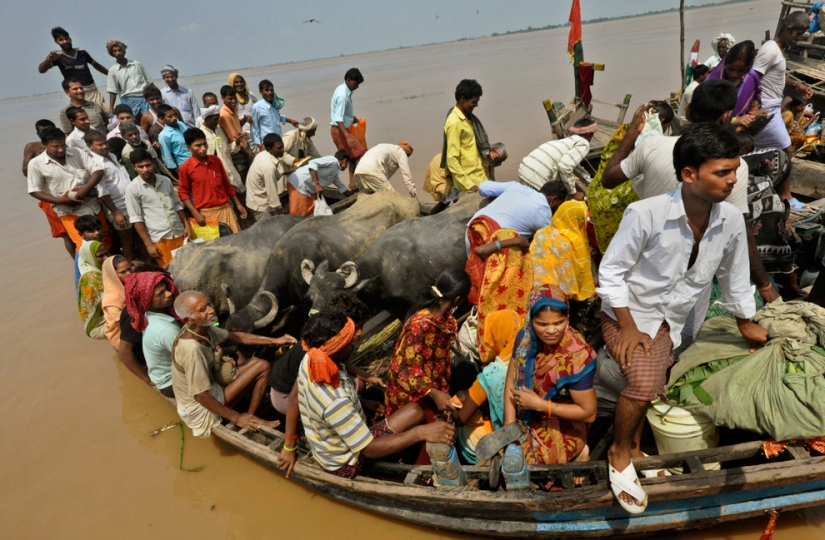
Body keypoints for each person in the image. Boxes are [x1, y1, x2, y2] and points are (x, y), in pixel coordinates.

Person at [597, 123, 767, 514]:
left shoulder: (730, 222)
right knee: (643, 379)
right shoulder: (644, 214)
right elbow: (611, 274)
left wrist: (745, 323)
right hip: (631, 311)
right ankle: (621, 453)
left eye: (735, 169)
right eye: (722, 172)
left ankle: (639, 446)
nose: (733, 179)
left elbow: (735, 277)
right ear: (689, 175)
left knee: (659, 374)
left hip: (680, 318)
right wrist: (626, 326)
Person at [601, 81, 780, 308]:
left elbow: (608, 180)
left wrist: (631, 134)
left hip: (650, 258)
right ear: (726, 117)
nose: (731, 178)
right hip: (694, 267)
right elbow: (740, 230)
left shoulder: (652, 145)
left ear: (686, 111)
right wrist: (765, 286)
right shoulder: (736, 168)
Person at [277, 308, 455, 479]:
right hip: (346, 462)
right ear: (337, 349)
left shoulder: (311, 357)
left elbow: (294, 398)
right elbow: (368, 449)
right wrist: (421, 433)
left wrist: (290, 444)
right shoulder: (335, 402)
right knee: (417, 423)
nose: (355, 343)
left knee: (415, 411)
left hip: (338, 442)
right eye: (351, 343)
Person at [172, 291, 294, 437]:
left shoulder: (201, 328)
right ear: (189, 320)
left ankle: (248, 414)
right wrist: (237, 418)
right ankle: (250, 417)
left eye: (209, 304)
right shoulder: (192, 350)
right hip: (200, 409)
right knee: (263, 366)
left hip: (209, 388)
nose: (211, 309)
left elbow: (235, 337)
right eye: (202, 309)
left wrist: (276, 341)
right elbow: (200, 395)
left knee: (255, 362)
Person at [503, 285, 597, 469]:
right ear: (531, 321)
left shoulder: (577, 357)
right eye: (543, 324)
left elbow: (589, 413)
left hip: (562, 418)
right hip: (528, 410)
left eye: (558, 322)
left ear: (567, 318)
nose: (552, 330)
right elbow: (511, 382)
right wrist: (509, 426)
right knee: (504, 456)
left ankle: (581, 450)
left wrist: (541, 405)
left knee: (533, 466)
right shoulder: (525, 339)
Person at [383, 269, 470, 463]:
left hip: (433, 385)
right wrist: (433, 393)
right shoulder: (422, 324)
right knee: (433, 436)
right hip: (414, 392)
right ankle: (420, 473)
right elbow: (401, 370)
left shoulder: (443, 319)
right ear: (458, 300)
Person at [268, 291, 383, 415]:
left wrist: (367, 376)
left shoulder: (329, 339)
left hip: (298, 390)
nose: (360, 332)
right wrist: (362, 403)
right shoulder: (316, 355)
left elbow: (342, 362)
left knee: (359, 382)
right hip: (285, 397)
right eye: (356, 327)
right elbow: (298, 398)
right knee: (347, 396)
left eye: (362, 326)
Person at [586, 101, 674, 253]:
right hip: (618, 191)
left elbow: (608, 155)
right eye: (666, 127)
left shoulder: (624, 130)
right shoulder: (653, 140)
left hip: (598, 192)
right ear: (663, 122)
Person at [752, 12, 813, 192]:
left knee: (764, 153)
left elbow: (774, 76)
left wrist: (796, 85)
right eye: (798, 33)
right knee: (786, 151)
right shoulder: (770, 50)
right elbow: (753, 78)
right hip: (766, 109)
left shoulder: (778, 49)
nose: (800, 38)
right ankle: (785, 196)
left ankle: (766, 190)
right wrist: (755, 108)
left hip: (772, 107)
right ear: (788, 29)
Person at [452, 309, 521, 464]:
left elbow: (462, 419)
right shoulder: (532, 359)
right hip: (528, 431)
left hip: (499, 436)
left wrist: (452, 414)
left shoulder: (490, 375)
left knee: (459, 430)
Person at [27, 127, 113, 252]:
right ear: (44, 144)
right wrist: (60, 201)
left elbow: (98, 170)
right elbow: (34, 190)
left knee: (105, 240)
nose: (61, 149)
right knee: (84, 247)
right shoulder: (36, 164)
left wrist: (84, 191)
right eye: (55, 146)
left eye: (63, 144)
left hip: (93, 206)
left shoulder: (77, 152)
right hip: (69, 211)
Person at [124, 148, 190, 267]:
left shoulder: (165, 180)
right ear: (134, 167)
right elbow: (136, 220)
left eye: (148, 165)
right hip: (160, 238)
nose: (145, 170)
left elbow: (177, 205)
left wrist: (186, 225)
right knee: (172, 272)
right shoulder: (132, 189)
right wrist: (148, 244)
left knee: (190, 265)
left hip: (179, 232)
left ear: (153, 163)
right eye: (141, 167)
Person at [22, 119, 75, 258]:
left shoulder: (62, 145)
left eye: (49, 129)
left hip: (69, 192)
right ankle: (75, 261)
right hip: (49, 195)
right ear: (38, 133)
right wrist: (42, 167)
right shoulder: (32, 147)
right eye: (42, 131)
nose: (45, 133)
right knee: (64, 233)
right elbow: (25, 171)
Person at [177, 128, 247, 233]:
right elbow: (183, 193)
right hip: (205, 215)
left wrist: (238, 204)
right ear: (189, 148)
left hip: (226, 210)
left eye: (204, 144)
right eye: (198, 145)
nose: (203, 148)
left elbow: (226, 185)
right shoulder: (185, 168)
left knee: (236, 243)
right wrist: (195, 213)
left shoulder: (216, 161)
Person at [530, 200, 596, 302]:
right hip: (565, 293)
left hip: (538, 285)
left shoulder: (542, 233)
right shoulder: (578, 240)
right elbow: (581, 269)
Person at [517, 118, 597, 198]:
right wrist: (573, 193)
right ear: (588, 134)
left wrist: (590, 182)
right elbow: (565, 166)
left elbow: (575, 167)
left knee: (527, 200)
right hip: (538, 177)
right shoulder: (584, 143)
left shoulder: (566, 141)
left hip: (525, 169)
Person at [85, 130, 135, 260]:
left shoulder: (111, 155)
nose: (105, 146)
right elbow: (102, 193)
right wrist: (116, 212)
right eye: (100, 145)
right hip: (119, 207)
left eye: (105, 143)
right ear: (89, 146)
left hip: (131, 202)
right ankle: (128, 271)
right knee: (127, 241)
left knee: (137, 237)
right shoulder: (95, 163)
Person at [39, 27, 109, 106]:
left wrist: (111, 75)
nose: (65, 41)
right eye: (61, 40)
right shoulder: (57, 56)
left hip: (93, 89)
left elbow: (97, 65)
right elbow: (41, 70)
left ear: (70, 39)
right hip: (78, 93)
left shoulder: (81, 52)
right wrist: (48, 60)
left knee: (104, 113)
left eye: (66, 38)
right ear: (56, 42)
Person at [706, 41, 763, 127]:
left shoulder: (751, 80)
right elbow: (704, 115)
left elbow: (753, 106)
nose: (734, 74)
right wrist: (735, 120)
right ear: (725, 64)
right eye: (731, 69)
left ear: (748, 68)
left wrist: (753, 115)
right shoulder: (712, 82)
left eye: (740, 71)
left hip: (738, 133)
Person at [443, 79, 486, 194]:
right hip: (470, 185)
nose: (476, 105)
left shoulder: (468, 118)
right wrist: (470, 185)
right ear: (462, 99)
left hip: (480, 177)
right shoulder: (454, 123)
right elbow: (452, 159)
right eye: (474, 101)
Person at [245, 133, 297, 220]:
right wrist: (281, 214)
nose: (282, 150)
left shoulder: (262, 154)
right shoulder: (268, 166)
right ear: (269, 149)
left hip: (253, 199)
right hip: (260, 205)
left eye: (282, 146)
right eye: (279, 148)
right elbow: (272, 194)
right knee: (268, 231)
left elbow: (273, 174)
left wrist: (286, 172)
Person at [330, 68, 366, 189]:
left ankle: (352, 183)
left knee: (353, 156)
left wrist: (352, 118)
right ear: (349, 80)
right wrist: (346, 135)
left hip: (342, 128)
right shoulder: (343, 95)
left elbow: (342, 113)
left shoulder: (344, 89)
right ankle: (347, 182)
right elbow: (338, 118)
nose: (357, 87)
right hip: (340, 130)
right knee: (356, 154)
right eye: (356, 84)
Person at [197, 105, 244, 194]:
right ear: (207, 118)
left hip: (230, 170)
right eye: (215, 119)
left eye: (218, 118)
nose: (218, 121)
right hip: (216, 174)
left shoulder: (219, 131)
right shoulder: (201, 134)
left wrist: (237, 142)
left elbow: (228, 150)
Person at [286, 151, 350, 216]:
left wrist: (353, 195)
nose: (347, 166)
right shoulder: (333, 160)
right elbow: (313, 163)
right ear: (345, 160)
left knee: (315, 211)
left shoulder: (335, 173)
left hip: (309, 189)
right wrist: (317, 185)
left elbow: (342, 187)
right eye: (348, 163)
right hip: (298, 184)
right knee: (299, 214)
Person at [106, 40, 153, 119]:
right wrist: (111, 108)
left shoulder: (137, 64)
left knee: (150, 119)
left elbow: (150, 82)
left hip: (145, 96)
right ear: (112, 54)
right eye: (115, 51)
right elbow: (112, 91)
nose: (117, 53)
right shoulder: (113, 70)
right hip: (130, 99)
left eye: (119, 50)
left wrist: (156, 95)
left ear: (124, 51)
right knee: (133, 120)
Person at [77, 240, 110, 339]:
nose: (106, 258)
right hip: (98, 327)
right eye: (100, 256)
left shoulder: (93, 269)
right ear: (90, 258)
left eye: (107, 253)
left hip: (104, 319)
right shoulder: (92, 278)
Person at [252, 79, 300, 145]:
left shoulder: (274, 104)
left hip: (278, 140)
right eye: (267, 90)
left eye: (271, 90)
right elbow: (254, 128)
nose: (270, 93)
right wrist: (260, 145)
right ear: (261, 92)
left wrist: (291, 121)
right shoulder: (257, 107)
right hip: (267, 143)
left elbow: (276, 116)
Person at [218, 85, 251, 178]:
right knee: (243, 177)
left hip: (243, 147)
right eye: (230, 99)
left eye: (234, 98)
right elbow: (234, 139)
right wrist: (248, 155)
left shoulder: (233, 109)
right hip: (237, 152)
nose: (233, 101)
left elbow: (236, 127)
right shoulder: (224, 114)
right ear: (222, 98)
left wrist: (244, 121)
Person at [101, 254, 132, 350]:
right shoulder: (112, 300)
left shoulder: (128, 285)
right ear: (113, 275)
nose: (129, 274)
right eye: (123, 272)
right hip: (124, 341)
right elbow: (124, 330)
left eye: (129, 269)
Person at [157, 104, 191, 178]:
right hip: (184, 166)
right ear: (162, 118)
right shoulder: (164, 135)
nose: (174, 118)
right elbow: (167, 157)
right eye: (170, 116)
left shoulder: (181, 124)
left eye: (175, 115)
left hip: (196, 159)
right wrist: (178, 172)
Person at [229, 73, 258, 151]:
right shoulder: (232, 100)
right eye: (236, 82)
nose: (239, 84)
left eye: (241, 81)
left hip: (256, 131)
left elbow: (258, 106)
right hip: (243, 134)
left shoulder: (250, 94)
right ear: (232, 84)